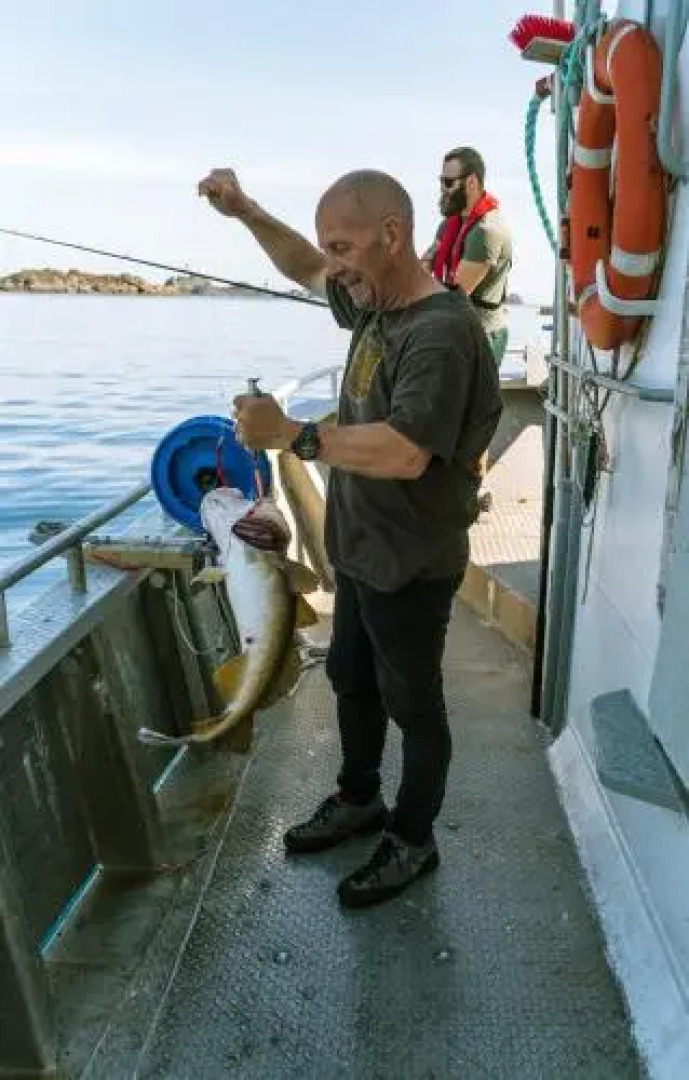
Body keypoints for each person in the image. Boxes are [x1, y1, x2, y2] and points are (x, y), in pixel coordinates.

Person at [198, 166, 502, 909]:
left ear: (391, 237)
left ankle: (412, 840)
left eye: (344, 246)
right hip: (360, 551)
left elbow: (404, 452)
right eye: (332, 246)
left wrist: (291, 435)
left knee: (415, 706)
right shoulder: (373, 300)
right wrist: (244, 211)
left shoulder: (438, 332)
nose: (332, 265)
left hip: (411, 561)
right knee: (351, 679)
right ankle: (359, 797)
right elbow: (302, 265)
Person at [424, 147, 512, 367]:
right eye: (441, 181)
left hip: (482, 337)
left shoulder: (486, 231)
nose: (442, 189)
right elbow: (427, 260)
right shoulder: (449, 224)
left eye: (448, 182)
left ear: (471, 182)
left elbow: (456, 294)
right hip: (455, 327)